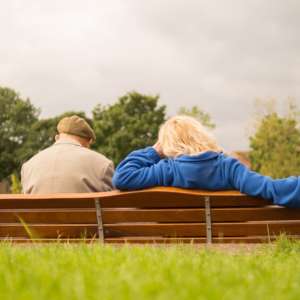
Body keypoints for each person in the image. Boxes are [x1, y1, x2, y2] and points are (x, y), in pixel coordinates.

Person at [113, 115, 300, 208]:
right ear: (200, 135)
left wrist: (154, 151)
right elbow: (270, 189)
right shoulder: (228, 167)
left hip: (178, 240)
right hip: (228, 236)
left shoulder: (166, 170)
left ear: (168, 143)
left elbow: (123, 177)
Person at [21, 115, 114, 194]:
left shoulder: (28, 166)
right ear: (88, 141)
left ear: (57, 137)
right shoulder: (103, 164)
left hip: (38, 216)